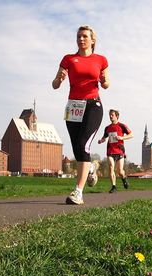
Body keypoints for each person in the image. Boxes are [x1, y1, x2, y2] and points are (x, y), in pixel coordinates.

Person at [52, 25, 109, 205]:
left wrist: (104, 80)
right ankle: (90, 167)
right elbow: (54, 85)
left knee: (84, 145)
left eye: (85, 36)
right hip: (73, 106)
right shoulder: (68, 59)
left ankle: (78, 192)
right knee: (77, 148)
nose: (81, 39)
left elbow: (106, 84)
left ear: (92, 40)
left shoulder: (100, 59)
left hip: (93, 105)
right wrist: (59, 78)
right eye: (78, 36)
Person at [98, 109, 133, 193]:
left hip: (120, 151)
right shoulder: (107, 128)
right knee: (111, 167)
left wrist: (122, 138)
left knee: (120, 171)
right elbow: (104, 137)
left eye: (112, 115)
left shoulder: (122, 126)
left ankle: (124, 178)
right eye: (110, 115)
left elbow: (131, 135)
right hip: (110, 151)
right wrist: (101, 140)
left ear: (117, 116)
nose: (110, 116)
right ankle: (114, 186)